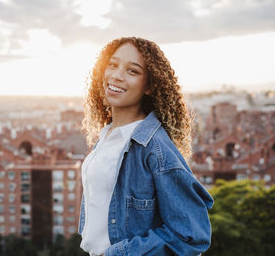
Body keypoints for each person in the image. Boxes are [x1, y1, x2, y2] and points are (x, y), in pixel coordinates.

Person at [78, 37, 214, 256]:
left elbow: (191, 234)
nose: (116, 75)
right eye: (112, 65)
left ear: (149, 86)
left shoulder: (155, 148)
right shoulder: (109, 134)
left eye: (132, 71)